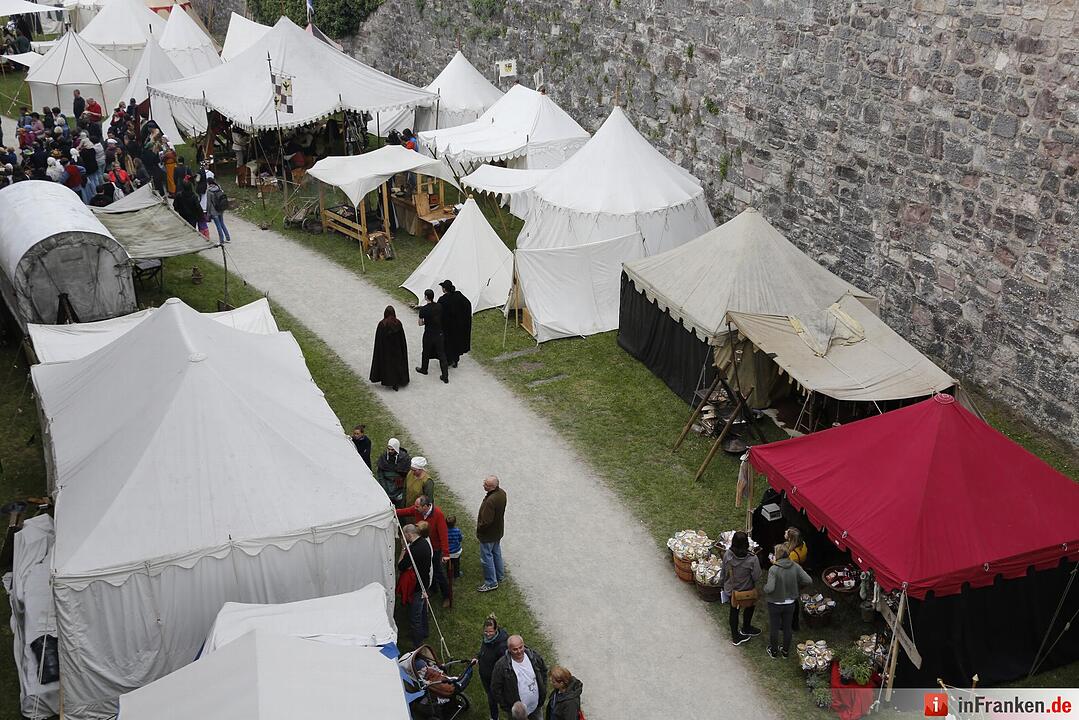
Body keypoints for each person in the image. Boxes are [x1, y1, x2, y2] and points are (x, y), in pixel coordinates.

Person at [397, 495, 451, 608]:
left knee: (437, 571)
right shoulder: (418, 510)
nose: (415, 508)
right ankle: (433, 588)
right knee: (427, 569)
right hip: (423, 544)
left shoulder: (438, 514)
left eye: (417, 507)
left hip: (435, 548)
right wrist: (394, 511)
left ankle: (447, 596)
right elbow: (406, 511)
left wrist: (446, 553)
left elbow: (443, 534)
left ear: (426, 506)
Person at [764, 542, 811, 659]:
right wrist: (798, 586)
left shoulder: (774, 569)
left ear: (778, 555)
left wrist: (765, 588)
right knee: (787, 627)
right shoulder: (795, 566)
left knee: (774, 628)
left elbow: (770, 588)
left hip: (775, 603)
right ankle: (785, 651)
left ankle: (774, 651)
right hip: (790, 603)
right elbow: (808, 580)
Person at [719, 530, 762, 646]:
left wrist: (722, 584)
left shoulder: (728, 555)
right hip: (747, 590)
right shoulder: (752, 559)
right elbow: (756, 576)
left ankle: (735, 636)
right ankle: (746, 628)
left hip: (732, 590)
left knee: (734, 612)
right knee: (749, 607)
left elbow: (723, 572)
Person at [491, 635, 548, 720]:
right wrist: (506, 706)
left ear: (523, 645)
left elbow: (543, 671)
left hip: (536, 706)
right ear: (509, 649)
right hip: (518, 714)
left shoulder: (533, 657)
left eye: (520, 647)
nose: (519, 651)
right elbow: (495, 688)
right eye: (515, 649)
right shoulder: (502, 665)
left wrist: (543, 688)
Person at [397, 523, 433, 647]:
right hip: (425, 582)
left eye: (404, 535)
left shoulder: (413, 550)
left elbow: (400, 565)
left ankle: (418, 644)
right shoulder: (424, 543)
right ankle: (424, 632)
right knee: (422, 611)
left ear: (409, 534)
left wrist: (403, 549)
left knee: (415, 616)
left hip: (417, 586)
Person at [476, 475, 507, 593]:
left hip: (488, 534)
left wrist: (480, 529)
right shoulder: (502, 493)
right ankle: (500, 575)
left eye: (486, 485)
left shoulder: (491, 500)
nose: (484, 485)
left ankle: (491, 582)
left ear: (493, 487)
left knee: (486, 557)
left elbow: (486, 521)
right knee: (496, 553)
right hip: (498, 531)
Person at [475, 614, 509, 720]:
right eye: (486, 631)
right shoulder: (486, 639)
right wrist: (478, 657)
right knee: (490, 696)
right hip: (485, 675)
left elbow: (503, 664)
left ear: (496, 630)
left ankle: (495, 717)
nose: (488, 634)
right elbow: (483, 651)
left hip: (494, 678)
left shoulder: (501, 646)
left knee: (492, 698)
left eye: (490, 632)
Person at [370, 305, 410, 390]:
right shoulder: (398, 323)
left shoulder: (382, 324)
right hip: (397, 349)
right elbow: (402, 338)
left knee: (388, 366)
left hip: (386, 350)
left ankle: (390, 381)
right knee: (397, 365)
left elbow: (379, 339)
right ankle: (397, 382)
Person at [416, 288, 449, 383]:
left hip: (429, 334)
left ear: (426, 297)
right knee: (442, 354)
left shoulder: (424, 310)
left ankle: (424, 369)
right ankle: (445, 376)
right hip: (439, 333)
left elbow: (420, 323)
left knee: (425, 352)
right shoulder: (439, 306)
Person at [438, 280, 472, 368]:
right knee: (456, 343)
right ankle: (455, 360)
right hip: (458, 326)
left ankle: (449, 360)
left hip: (447, 327)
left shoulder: (442, 300)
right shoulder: (458, 296)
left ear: (444, 289)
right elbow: (467, 304)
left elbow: (439, 312)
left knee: (447, 344)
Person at [375, 438, 411, 507]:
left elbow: (407, 475)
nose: (390, 451)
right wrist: (384, 486)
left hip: (399, 488)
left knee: (400, 506)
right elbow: (380, 473)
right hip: (387, 486)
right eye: (389, 449)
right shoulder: (384, 457)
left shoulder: (404, 458)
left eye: (392, 449)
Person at [785, 527, 808, 631]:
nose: (785, 533)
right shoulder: (803, 546)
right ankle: (795, 623)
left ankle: (790, 623)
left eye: (787, 533)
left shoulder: (793, 555)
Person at [206, 172, 231, 243]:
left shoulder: (209, 191)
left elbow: (209, 203)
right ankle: (227, 237)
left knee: (218, 225)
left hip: (214, 211)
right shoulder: (219, 188)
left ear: (208, 183)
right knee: (222, 223)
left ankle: (221, 240)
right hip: (221, 209)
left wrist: (208, 213)